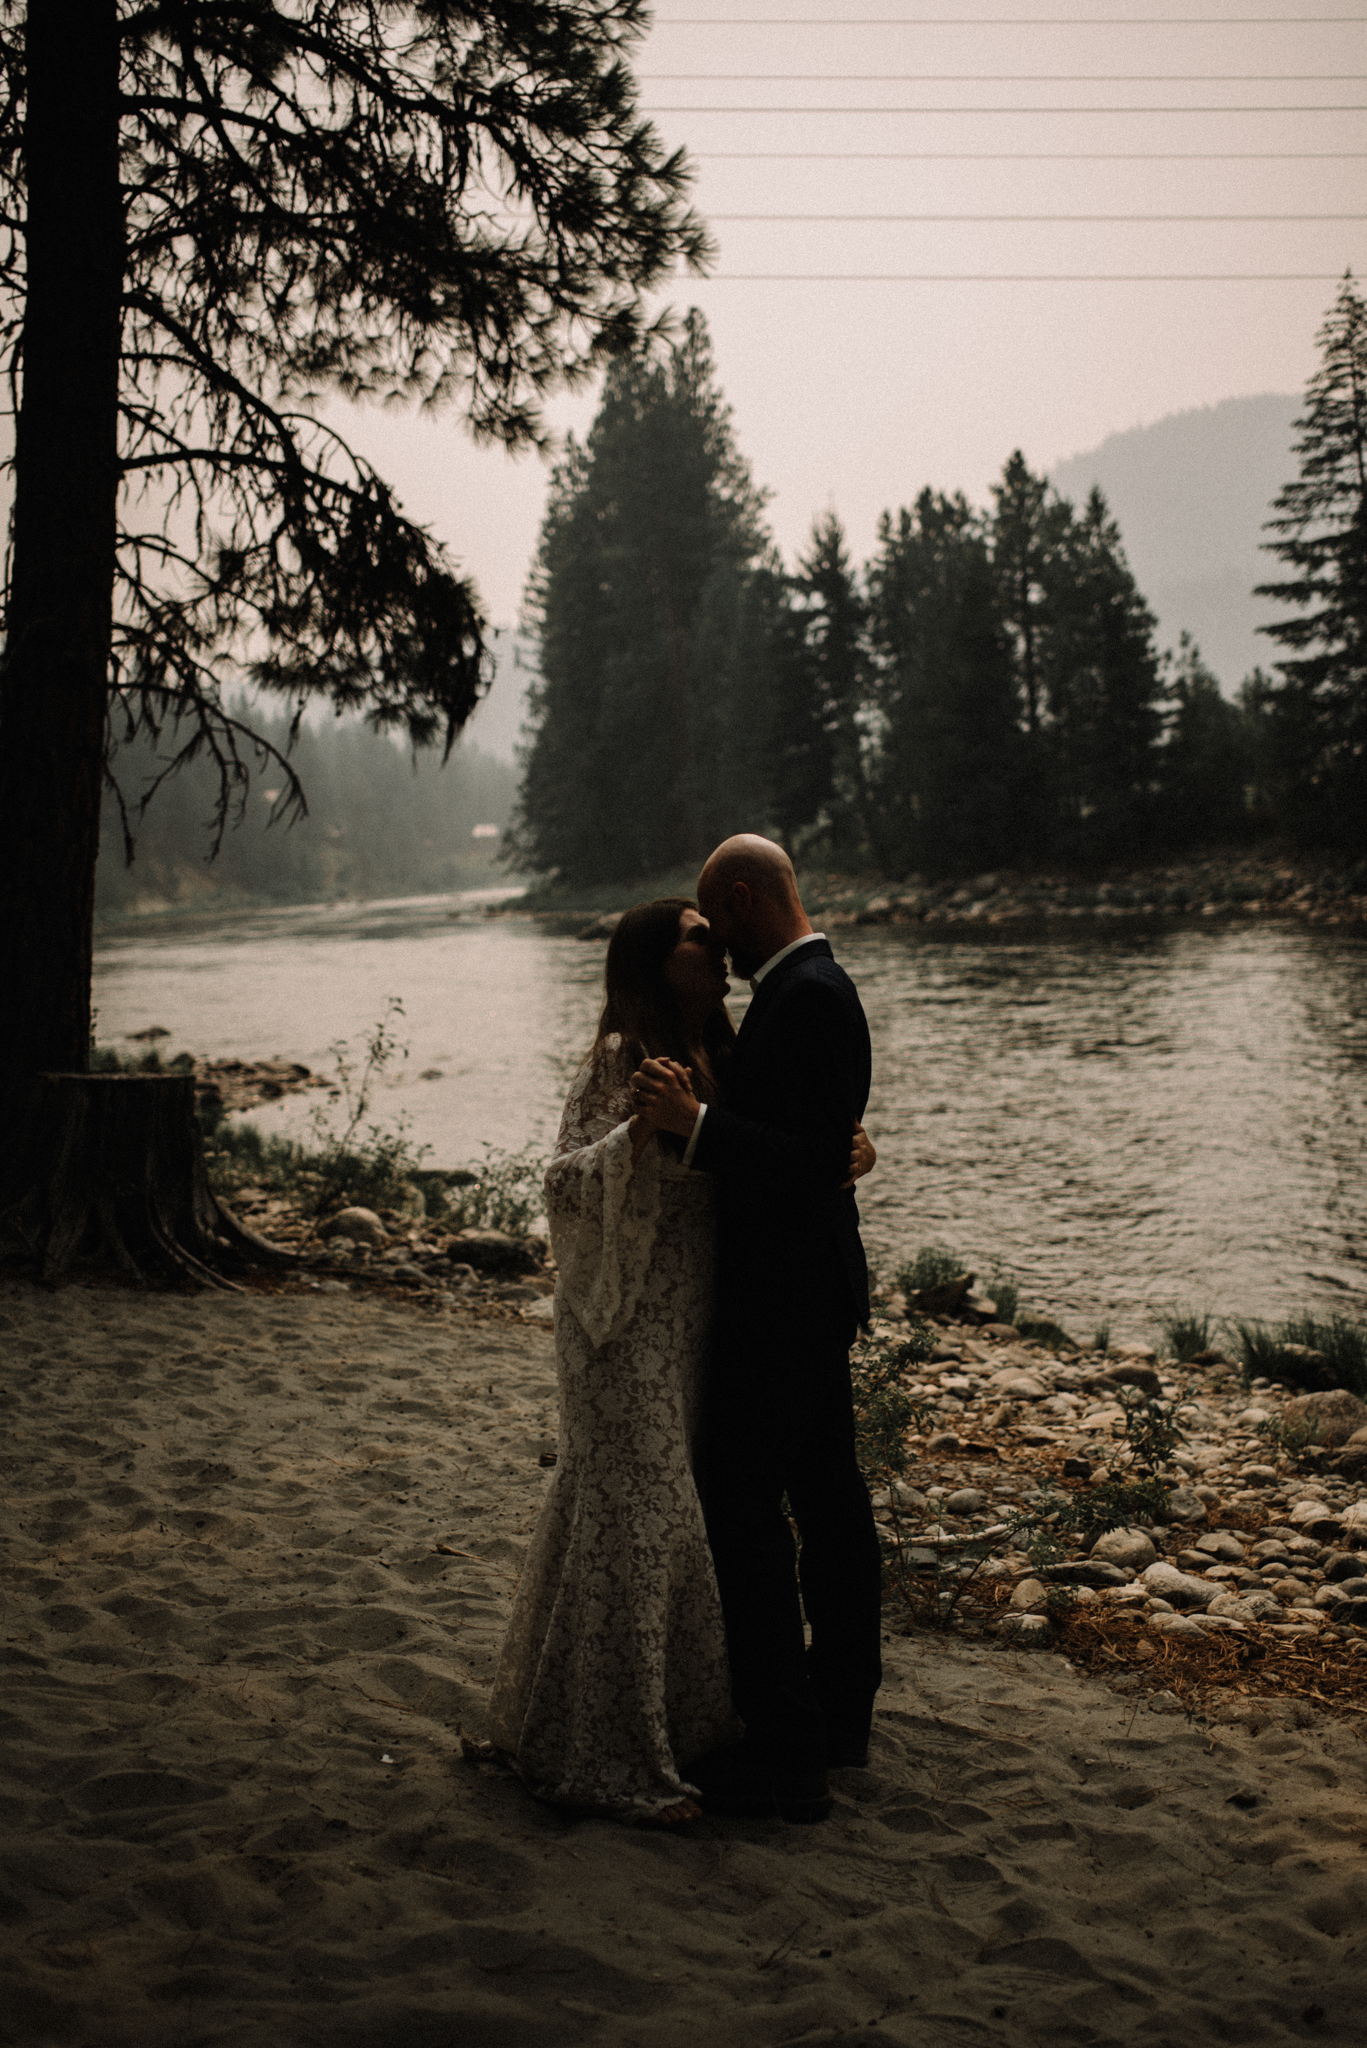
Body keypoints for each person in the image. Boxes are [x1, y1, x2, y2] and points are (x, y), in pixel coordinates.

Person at [488, 895, 875, 1826]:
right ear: (658, 965)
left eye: (715, 928)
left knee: (687, 1518)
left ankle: (695, 1719)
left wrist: (839, 1153)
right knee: (638, 1508)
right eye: (699, 938)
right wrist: (640, 1134)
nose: (719, 947)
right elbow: (562, 1181)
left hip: (702, 1315)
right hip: (625, 1327)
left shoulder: (728, 1053)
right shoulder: (624, 1061)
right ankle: (616, 1741)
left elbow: (770, 1144)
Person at [630, 836, 881, 1826]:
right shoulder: (800, 987)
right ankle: (838, 1713)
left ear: (740, 899)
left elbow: (810, 1151)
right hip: (809, 1291)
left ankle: (785, 1750)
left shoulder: (808, 991)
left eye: (713, 919)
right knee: (826, 1499)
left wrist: (695, 1124)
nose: (714, 945)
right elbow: (824, 1141)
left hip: (785, 1299)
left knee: (742, 1506)